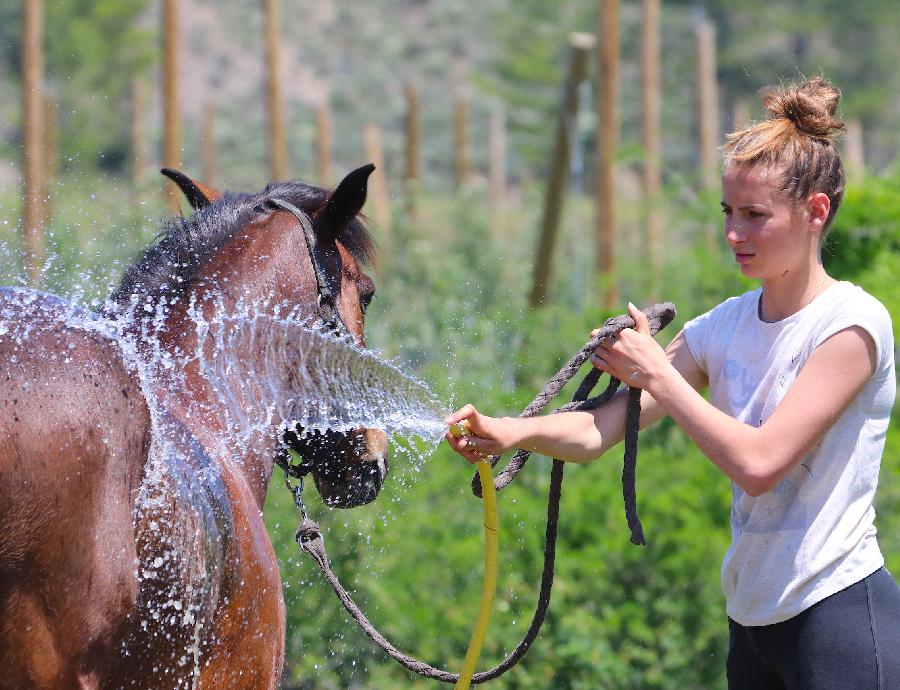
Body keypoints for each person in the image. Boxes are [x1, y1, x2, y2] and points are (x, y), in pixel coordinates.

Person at [445, 76, 898, 689]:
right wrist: (509, 432)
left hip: (838, 616)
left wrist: (658, 369)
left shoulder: (852, 325)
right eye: (728, 213)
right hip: (751, 624)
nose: (735, 234)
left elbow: (762, 463)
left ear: (815, 211)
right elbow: (595, 431)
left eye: (755, 216)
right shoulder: (726, 326)